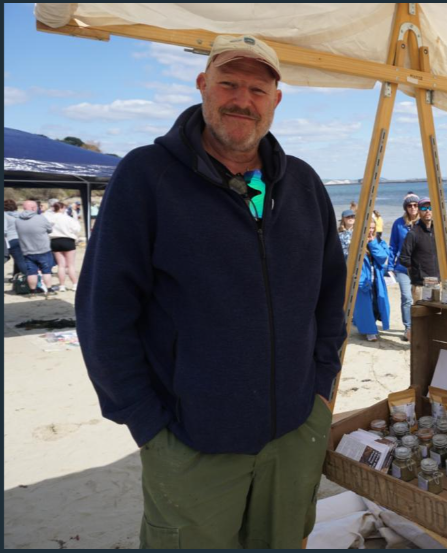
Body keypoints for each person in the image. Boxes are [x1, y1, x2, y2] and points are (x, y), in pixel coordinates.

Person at [75, 34, 346, 549]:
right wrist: (146, 421)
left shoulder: (303, 184)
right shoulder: (147, 176)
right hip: (189, 440)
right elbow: (102, 311)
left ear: (276, 101)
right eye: (229, 83)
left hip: (295, 430)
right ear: (203, 86)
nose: (242, 99)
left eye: (258, 89)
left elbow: (331, 293)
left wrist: (321, 388)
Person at [353, 219, 391, 342]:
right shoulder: (356, 242)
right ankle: (370, 331)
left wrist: (372, 242)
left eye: (372, 228)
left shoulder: (378, 241)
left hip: (377, 278)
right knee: (364, 305)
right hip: (363, 278)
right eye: (368, 227)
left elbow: (383, 258)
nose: (370, 230)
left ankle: (371, 326)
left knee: (377, 302)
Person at [389, 193, 419, 342]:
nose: (412, 207)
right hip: (402, 268)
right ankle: (408, 328)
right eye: (409, 205)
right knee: (407, 298)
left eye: (415, 205)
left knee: (419, 299)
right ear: (405, 207)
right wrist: (389, 266)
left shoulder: (425, 223)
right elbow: (393, 246)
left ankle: (420, 328)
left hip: (421, 269)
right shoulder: (398, 223)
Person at [399, 196, 440, 302]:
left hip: (437, 283)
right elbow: (403, 258)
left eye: (430, 208)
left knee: (438, 316)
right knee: (421, 316)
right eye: (424, 208)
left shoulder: (438, 231)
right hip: (420, 285)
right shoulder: (413, 233)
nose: (427, 211)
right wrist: (418, 271)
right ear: (419, 211)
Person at [15, 200, 54, 294]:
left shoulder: (17, 220)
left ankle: (32, 291)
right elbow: (49, 229)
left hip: (27, 250)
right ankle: (49, 289)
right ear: (33, 208)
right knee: (46, 271)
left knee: (31, 272)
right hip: (43, 249)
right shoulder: (41, 218)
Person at [46, 202, 81, 292]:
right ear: (62, 208)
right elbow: (77, 229)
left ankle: (62, 285)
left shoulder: (49, 219)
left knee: (61, 265)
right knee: (70, 265)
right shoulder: (68, 218)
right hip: (67, 240)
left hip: (54, 241)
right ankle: (75, 284)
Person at [4, 199, 26, 278]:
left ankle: (27, 276)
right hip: (20, 239)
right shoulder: (20, 215)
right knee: (19, 260)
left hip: (8, 240)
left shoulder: (4, 215)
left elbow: (4, 230)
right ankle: (16, 276)